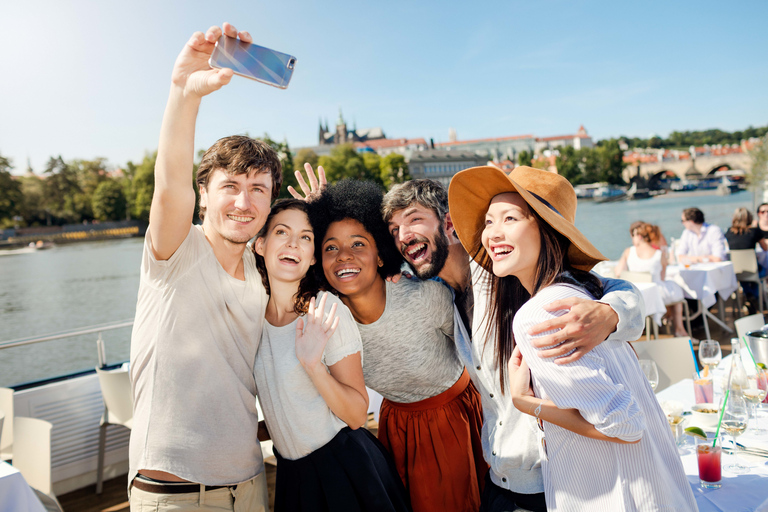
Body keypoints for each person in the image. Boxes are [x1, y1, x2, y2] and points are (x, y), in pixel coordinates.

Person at [380, 179, 644, 512]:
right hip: (500, 475)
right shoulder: (439, 294)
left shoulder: (509, 271)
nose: (402, 236)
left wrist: (611, 312)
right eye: (393, 230)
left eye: (414, 220)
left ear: (448, 224)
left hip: (557, 479)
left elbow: (612, 285)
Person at [449, 165, 697, 512]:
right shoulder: (581, 292)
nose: (492, 233)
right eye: (489, 222)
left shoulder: (541, 313)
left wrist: (527, 403)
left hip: (607, 493)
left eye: (510, 218)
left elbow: (625, 424)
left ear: (546, 228)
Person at [129, 23, 276, 511]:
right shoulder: (177, 251)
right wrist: (183, 93)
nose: (243, 200)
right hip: (171, 492)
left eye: (258, 188)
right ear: (205, 195)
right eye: (230, 185)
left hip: (250, 484)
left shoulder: (263, 274)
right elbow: (170, 185)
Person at [307, 179, 487, 512]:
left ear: (380, 256)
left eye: (358, 244)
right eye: (330, 247)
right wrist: (311, 220)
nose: (344, 255)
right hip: (397, 430)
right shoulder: (327, 323)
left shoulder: (427, 295)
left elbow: (481, 352)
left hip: (460, 422)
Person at [251, 199, 410, 512]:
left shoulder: (325, 311)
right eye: (282, 232)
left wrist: (314, 366)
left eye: (307, 237)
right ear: (260, 244)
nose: (294, 243)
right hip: (291, 474)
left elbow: (355, 414)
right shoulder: (251, 317)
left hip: (342, 471)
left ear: (312, 257)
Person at [614, 221, 688, 337]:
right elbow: (662, 277)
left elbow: (618, 272)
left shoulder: (628, 252)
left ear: (638, 236)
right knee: (676, 291)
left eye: (632, 236)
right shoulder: (659, 254)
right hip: (656, 293)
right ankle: (679, 328)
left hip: (636, 292)